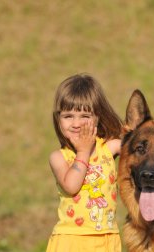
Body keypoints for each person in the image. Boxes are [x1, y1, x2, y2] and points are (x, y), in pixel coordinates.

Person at [46, 74, 122, 252]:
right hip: (72, 241)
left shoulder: (109, 148)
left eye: (85, 115)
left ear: (98, 117)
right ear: (58, 119)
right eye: (68, 116)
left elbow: (139, 146)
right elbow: (71, 186)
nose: (76, 123)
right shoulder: (59, 157)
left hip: (107, 239)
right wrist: (83, 151)